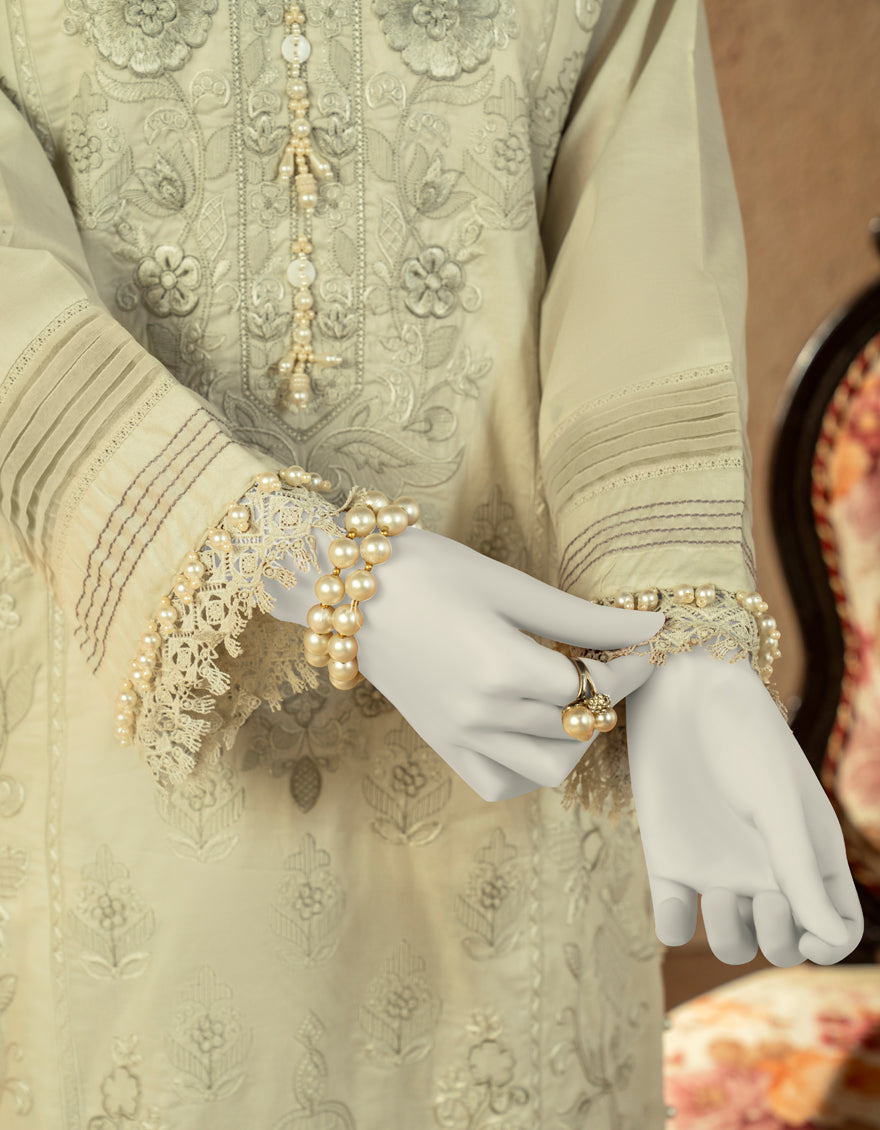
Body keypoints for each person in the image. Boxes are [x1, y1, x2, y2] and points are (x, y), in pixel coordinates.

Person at [0, 0, 860, 1125]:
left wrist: (679, 635)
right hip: (119, 758)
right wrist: (309, 562)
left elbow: (638, 224)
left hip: (521, 746)